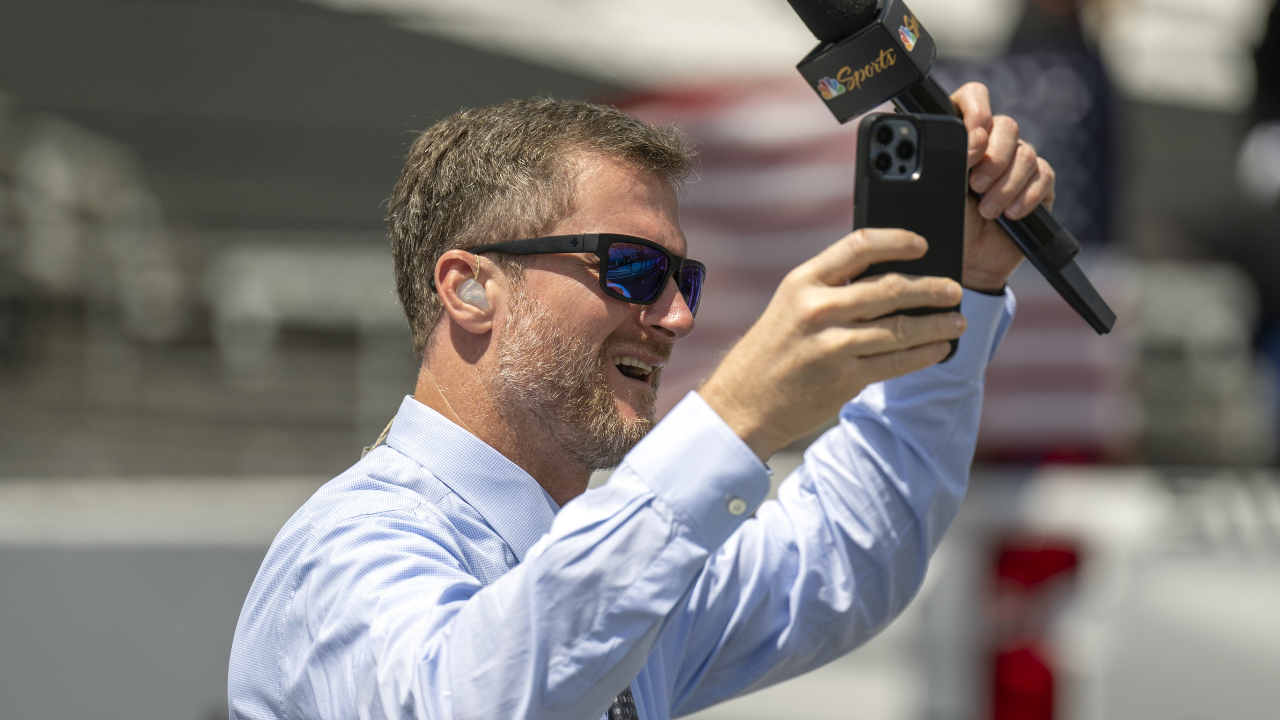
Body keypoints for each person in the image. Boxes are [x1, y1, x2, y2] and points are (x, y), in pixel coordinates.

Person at [228, 82, 1052, 720]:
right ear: (470, 288)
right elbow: (470, 698)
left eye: (680, 277)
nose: (678, 316)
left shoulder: (601, 565)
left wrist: (961, 288)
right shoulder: (351, 545)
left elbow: (847, 556)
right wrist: (733, 418)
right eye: (630, 268)